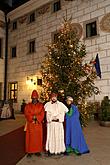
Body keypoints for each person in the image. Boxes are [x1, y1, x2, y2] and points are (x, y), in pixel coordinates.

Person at [24, 90, 44, 157]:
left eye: (35, 98)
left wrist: (36, 117)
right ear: (31, 98)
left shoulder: (41, 105)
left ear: (37, 98)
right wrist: (33, 117)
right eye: (33, 98)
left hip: (38, 125)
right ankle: (29, 151)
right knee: (30, 138)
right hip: (31, 124)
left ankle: (37, 151)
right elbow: (26, 114)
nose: (34, 100)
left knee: (38, 138)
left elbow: (42, 114)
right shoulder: (28, 105)